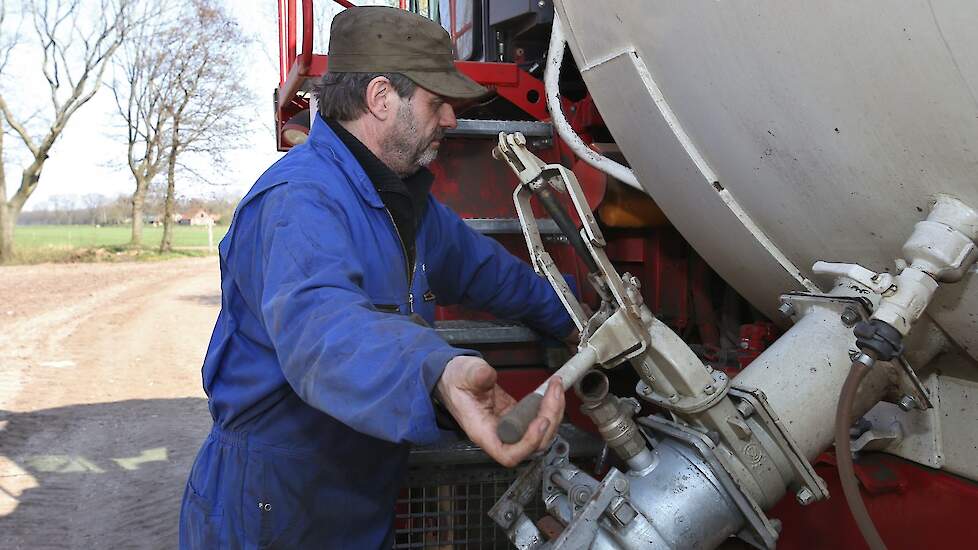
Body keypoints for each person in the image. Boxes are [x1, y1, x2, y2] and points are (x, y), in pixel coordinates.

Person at [178, 6, 573, 549]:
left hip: (353, 495)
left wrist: (583, 316)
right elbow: (324, 330)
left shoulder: (401, 200)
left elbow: (490, 274)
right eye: (437, 103)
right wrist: (435, 369)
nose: (452, 120)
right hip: (274, 505)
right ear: (381, 97)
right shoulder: (300, 201)